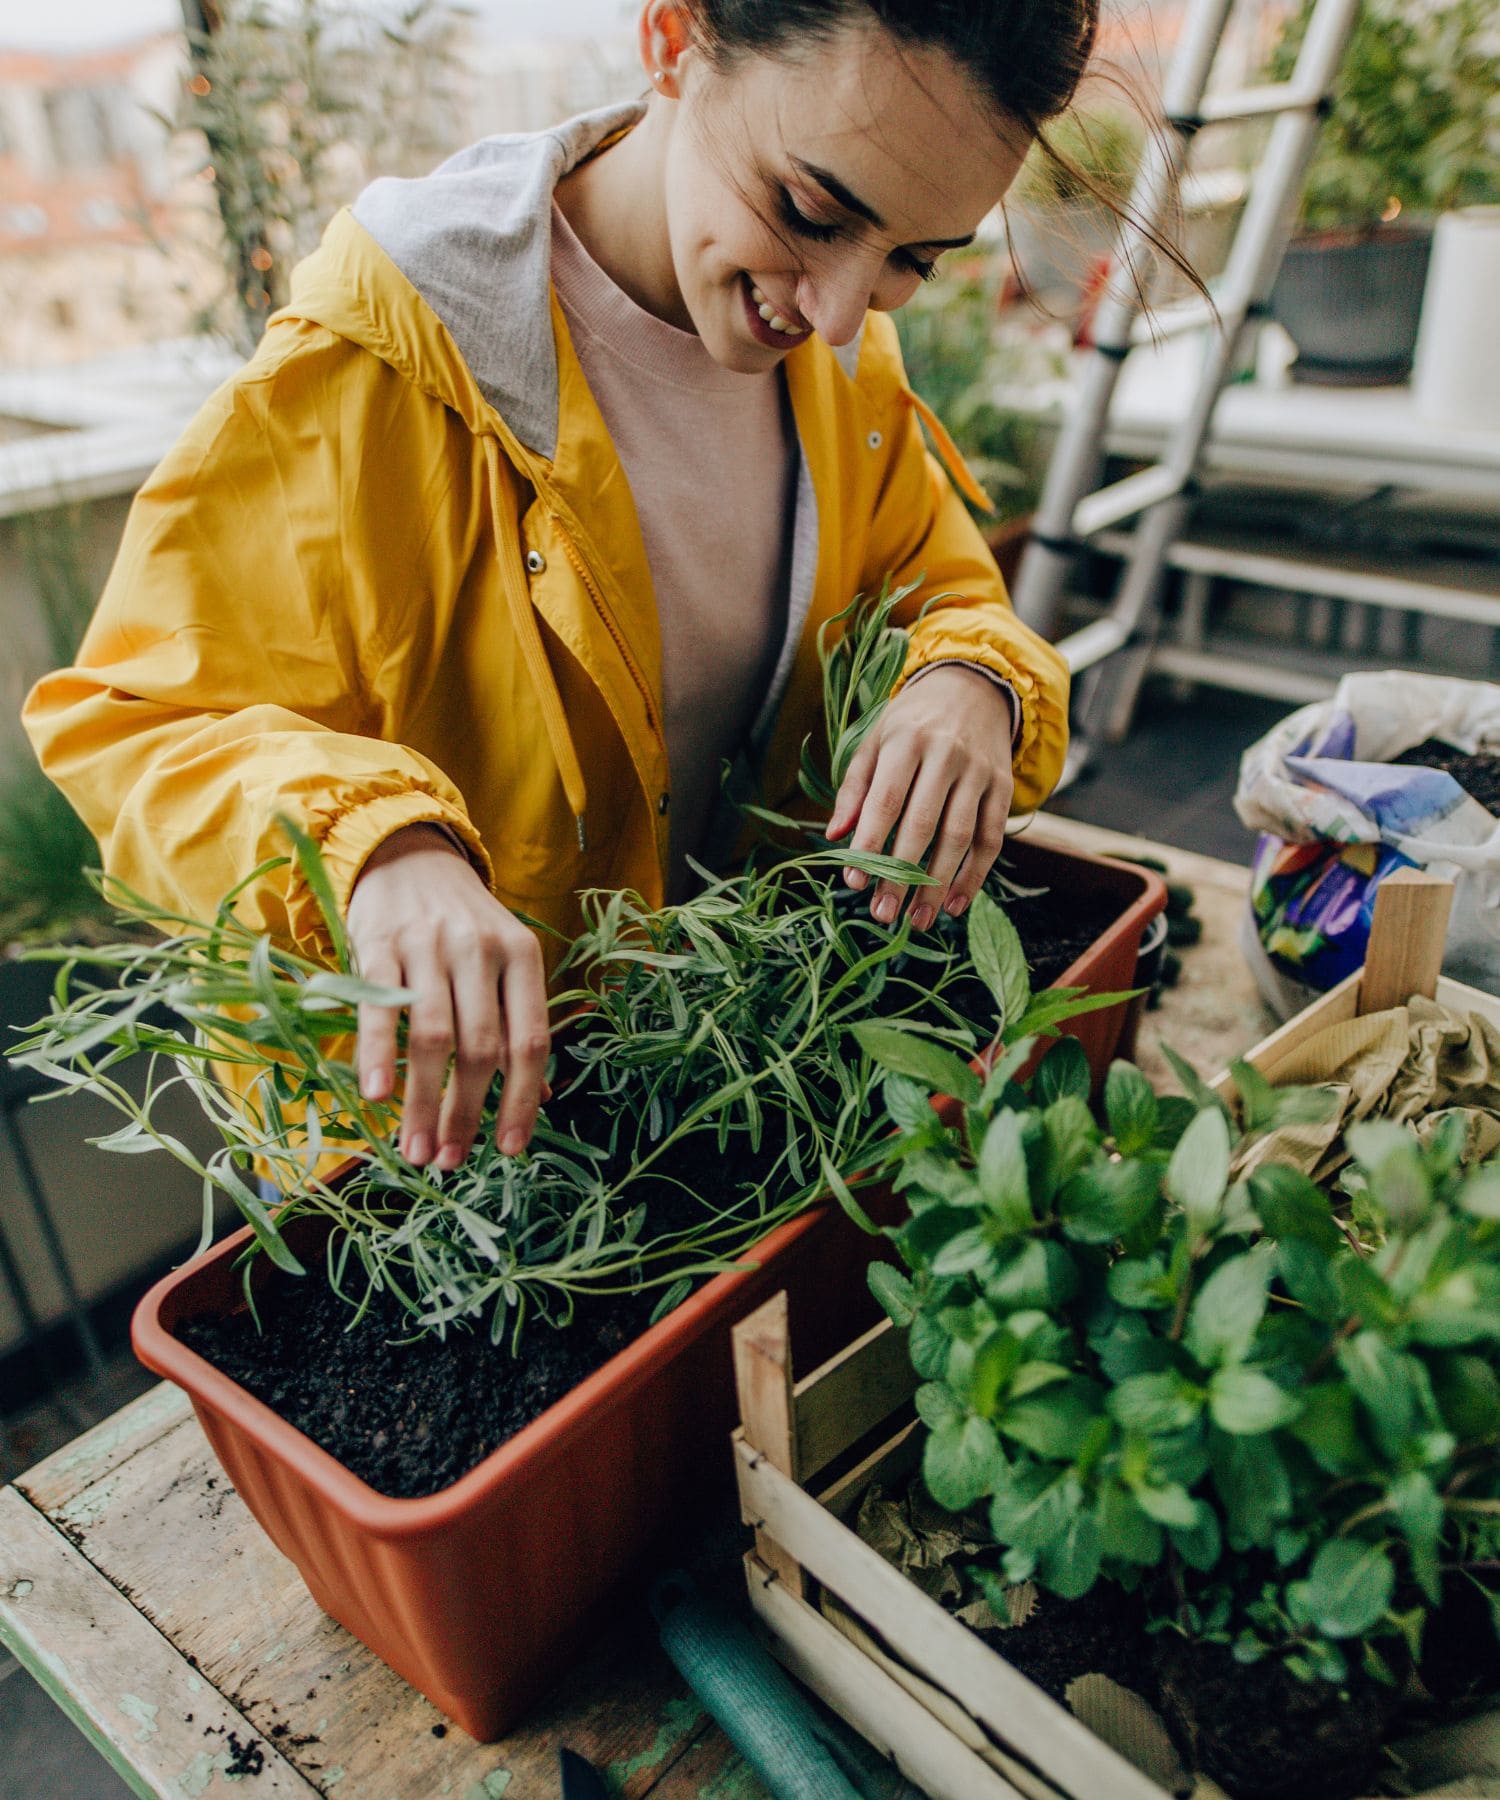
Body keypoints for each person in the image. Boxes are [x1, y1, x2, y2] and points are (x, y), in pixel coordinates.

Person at [24, 0, 1099, 1182]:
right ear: (671, 41)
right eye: (809, 212)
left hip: (721, 1111)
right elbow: (131, 721)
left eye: (912, 261)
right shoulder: (374, 364)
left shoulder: (844, 366)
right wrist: (376, 849)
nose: (839, 311)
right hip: (449, 1184)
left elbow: (934, 584)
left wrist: (971, 678)